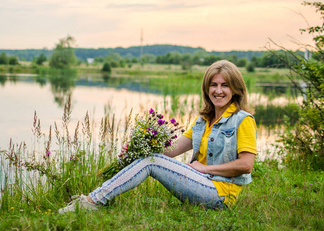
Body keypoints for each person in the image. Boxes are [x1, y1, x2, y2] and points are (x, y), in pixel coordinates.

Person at [58, 60, 257, 213]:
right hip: (200, 183)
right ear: (207, 88)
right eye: (213, 85)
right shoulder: (202, 122)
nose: (218, 91)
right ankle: (93, 199)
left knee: (152, 161)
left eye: (225, 85)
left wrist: (204, 168)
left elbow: (246, 165)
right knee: (151, 158)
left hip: (220, 194)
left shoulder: (242, 120)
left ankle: (92, 202)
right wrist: (139, 149)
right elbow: (171, 151)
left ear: (235, 89)